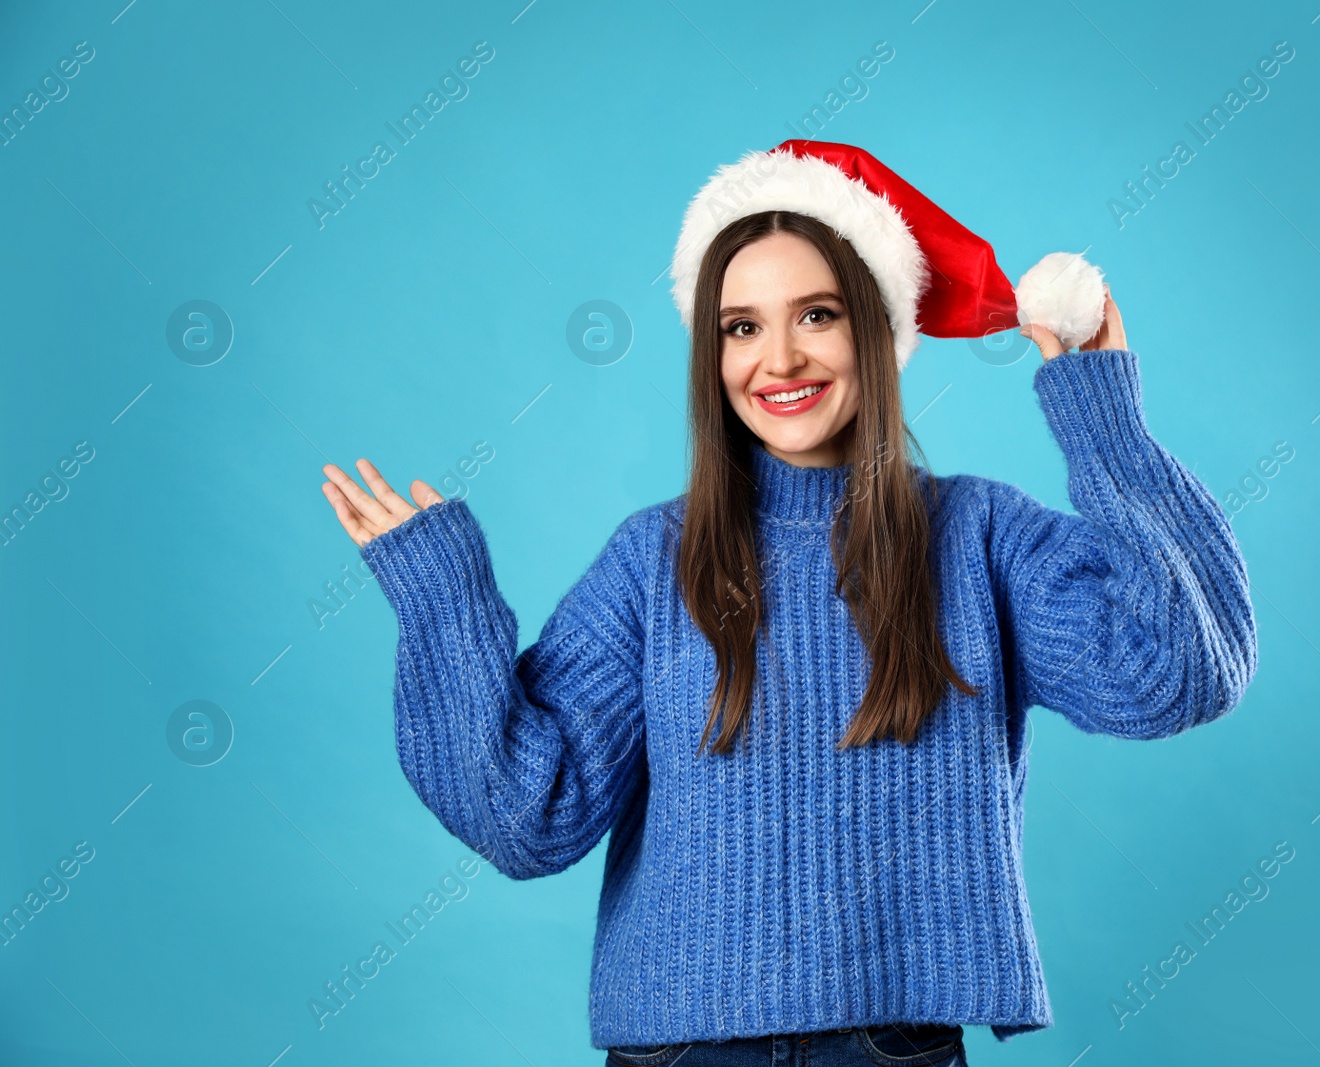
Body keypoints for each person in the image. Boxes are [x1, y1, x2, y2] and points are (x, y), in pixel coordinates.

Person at [320, 141, 1258, 1066]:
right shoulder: (654, 557)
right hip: (680, 1053)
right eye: (740, 326)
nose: (779, 358)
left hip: (895, 1047)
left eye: (816, 313)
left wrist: (1105, 417)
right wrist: (445, 609)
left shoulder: (977, 535)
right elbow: (530, 816)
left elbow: (1176, 672)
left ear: (879, 329)